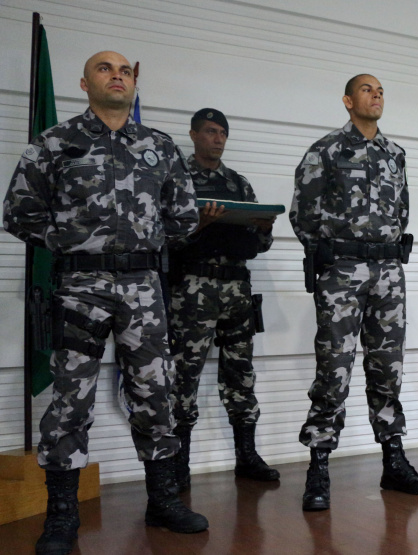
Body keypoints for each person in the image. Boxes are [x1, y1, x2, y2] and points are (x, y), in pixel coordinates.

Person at [3, 51, 207, 554]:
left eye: (125, 69)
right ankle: (62, 516)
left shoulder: (158, 146)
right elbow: (18, 212)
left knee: (154, 392)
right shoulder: (55, 143)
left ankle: (162, 498)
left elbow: (183, 217)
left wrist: (145, 239)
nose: (117, 74)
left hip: (143, 287)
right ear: (84, 82)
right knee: (71, 401)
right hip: (79, 287)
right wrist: (69, 238)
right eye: (104, 68)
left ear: (133, 82)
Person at [290, 74, 418, 511]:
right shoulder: (327, 150)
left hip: (389, 270)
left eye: (381, 90)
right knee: (333, 370)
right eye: (367, 90)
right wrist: (335, 255)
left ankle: (393, 461)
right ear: (349, 101)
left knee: (387, 368)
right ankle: (318, 467)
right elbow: (303, 215)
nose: (376, 95)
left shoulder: (394, 154)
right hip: (342, 272)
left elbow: (402, 210)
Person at [168, 108, 279, 492]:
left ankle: (247, 456)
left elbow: (258, 246)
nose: (217, 139)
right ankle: (177, 464)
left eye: (222, 133)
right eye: (210, 132)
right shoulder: (176, 180)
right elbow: (163, 238)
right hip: (193, 291)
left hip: (236, 291)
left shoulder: (238, 184)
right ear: (194, 135)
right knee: (184, 376)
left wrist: (264, 229)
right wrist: (200, 224)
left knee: (241, 374)